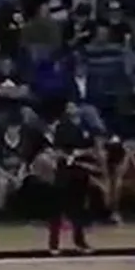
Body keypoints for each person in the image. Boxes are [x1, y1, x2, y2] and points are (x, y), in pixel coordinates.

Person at [48, 102, 96, 254]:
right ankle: (54, 244)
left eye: (74, 106)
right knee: (58, 209)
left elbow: (93, 148)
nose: (72, 109)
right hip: (64, 173)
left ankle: (80, 242)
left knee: (79, 209)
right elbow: (56, 150)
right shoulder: (62, 127)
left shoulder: (86, 126)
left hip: (81, 172)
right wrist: (68, 156)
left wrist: (80, 153)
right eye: (69, 107)